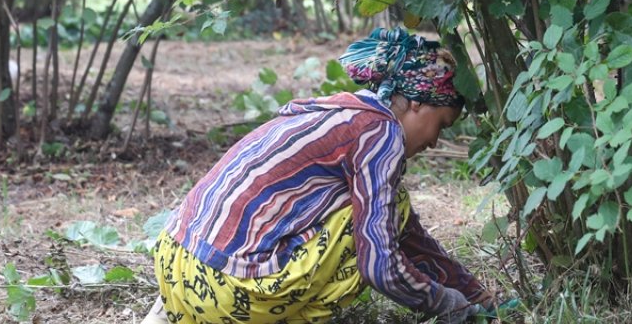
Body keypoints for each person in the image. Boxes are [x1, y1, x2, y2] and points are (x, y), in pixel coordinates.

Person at [144, 28, 494, 324]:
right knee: (383, 215)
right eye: (442, 125)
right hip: (226, 288)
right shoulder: (379, 132)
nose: (434, 142)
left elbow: (409, 237)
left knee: (383, 211)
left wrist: (473, 294)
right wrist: (450, 306)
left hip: (176, 265)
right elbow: (380, 265)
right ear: (417, 103)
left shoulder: (338, 112)